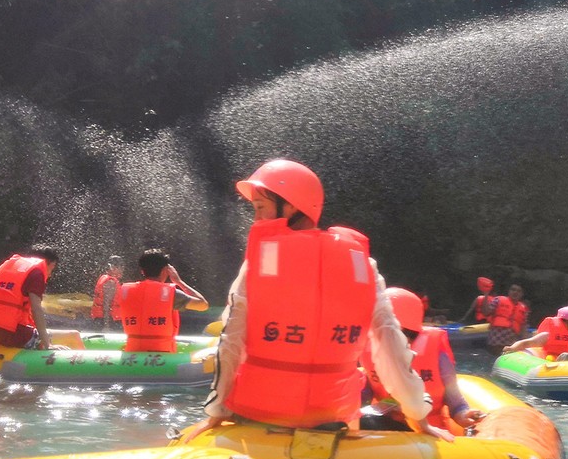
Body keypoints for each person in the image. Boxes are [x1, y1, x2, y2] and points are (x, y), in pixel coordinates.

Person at [196, 159, 444, 440]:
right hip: (331, 420)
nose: (256, 219)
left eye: (260, 208)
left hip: (258, 419)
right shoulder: (362, 265)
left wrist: (216, 410)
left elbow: (231, 339)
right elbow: (389, 342)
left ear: (290, 206)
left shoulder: (260, 262)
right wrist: (417, 413)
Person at [363, 287, 485, 434]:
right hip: (389, 427)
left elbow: (455, 401)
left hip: (431, 432)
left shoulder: (435, 353)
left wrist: (462, 414)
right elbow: (364, 396)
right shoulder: (369, 349)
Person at [117, 248, 208, 352]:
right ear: (166, 270)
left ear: (142, 271)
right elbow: (203, 305)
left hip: (132, 354)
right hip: (162, 358)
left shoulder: (126, 291)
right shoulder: (170, 294)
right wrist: (179, 281)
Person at [0, 243, 60, 349]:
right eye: (52, 268)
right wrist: (47, 344)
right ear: (47, 263)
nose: (50, 274)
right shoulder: (37, 273)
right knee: (73, 335)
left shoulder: (11, 267)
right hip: (12, 333)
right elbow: (36, 309)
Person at [503, 305, 568, 360]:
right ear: (564, 322)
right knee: (554, 358)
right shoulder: (548, 336)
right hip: (551, 364)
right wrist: (512, 348)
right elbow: (527, 342)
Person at [482, 283, 530, 355]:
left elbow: (523, 329)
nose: (515, 292)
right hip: (495, 342)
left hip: (511, 344)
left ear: (521, 294)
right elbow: (485, 312)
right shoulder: (498, 300)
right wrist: (486, 295)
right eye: (513, 290)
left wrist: (527, 345)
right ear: (509, 291)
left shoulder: (523, 309)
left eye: (518, 291)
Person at [90, 255, 125, 330]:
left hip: (102, 319)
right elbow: (106, 304)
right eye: (120, 267)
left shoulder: (104, 278)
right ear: (112, 267)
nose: (122, 270)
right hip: (109, 320)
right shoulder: (110, 282)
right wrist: (106, 326)